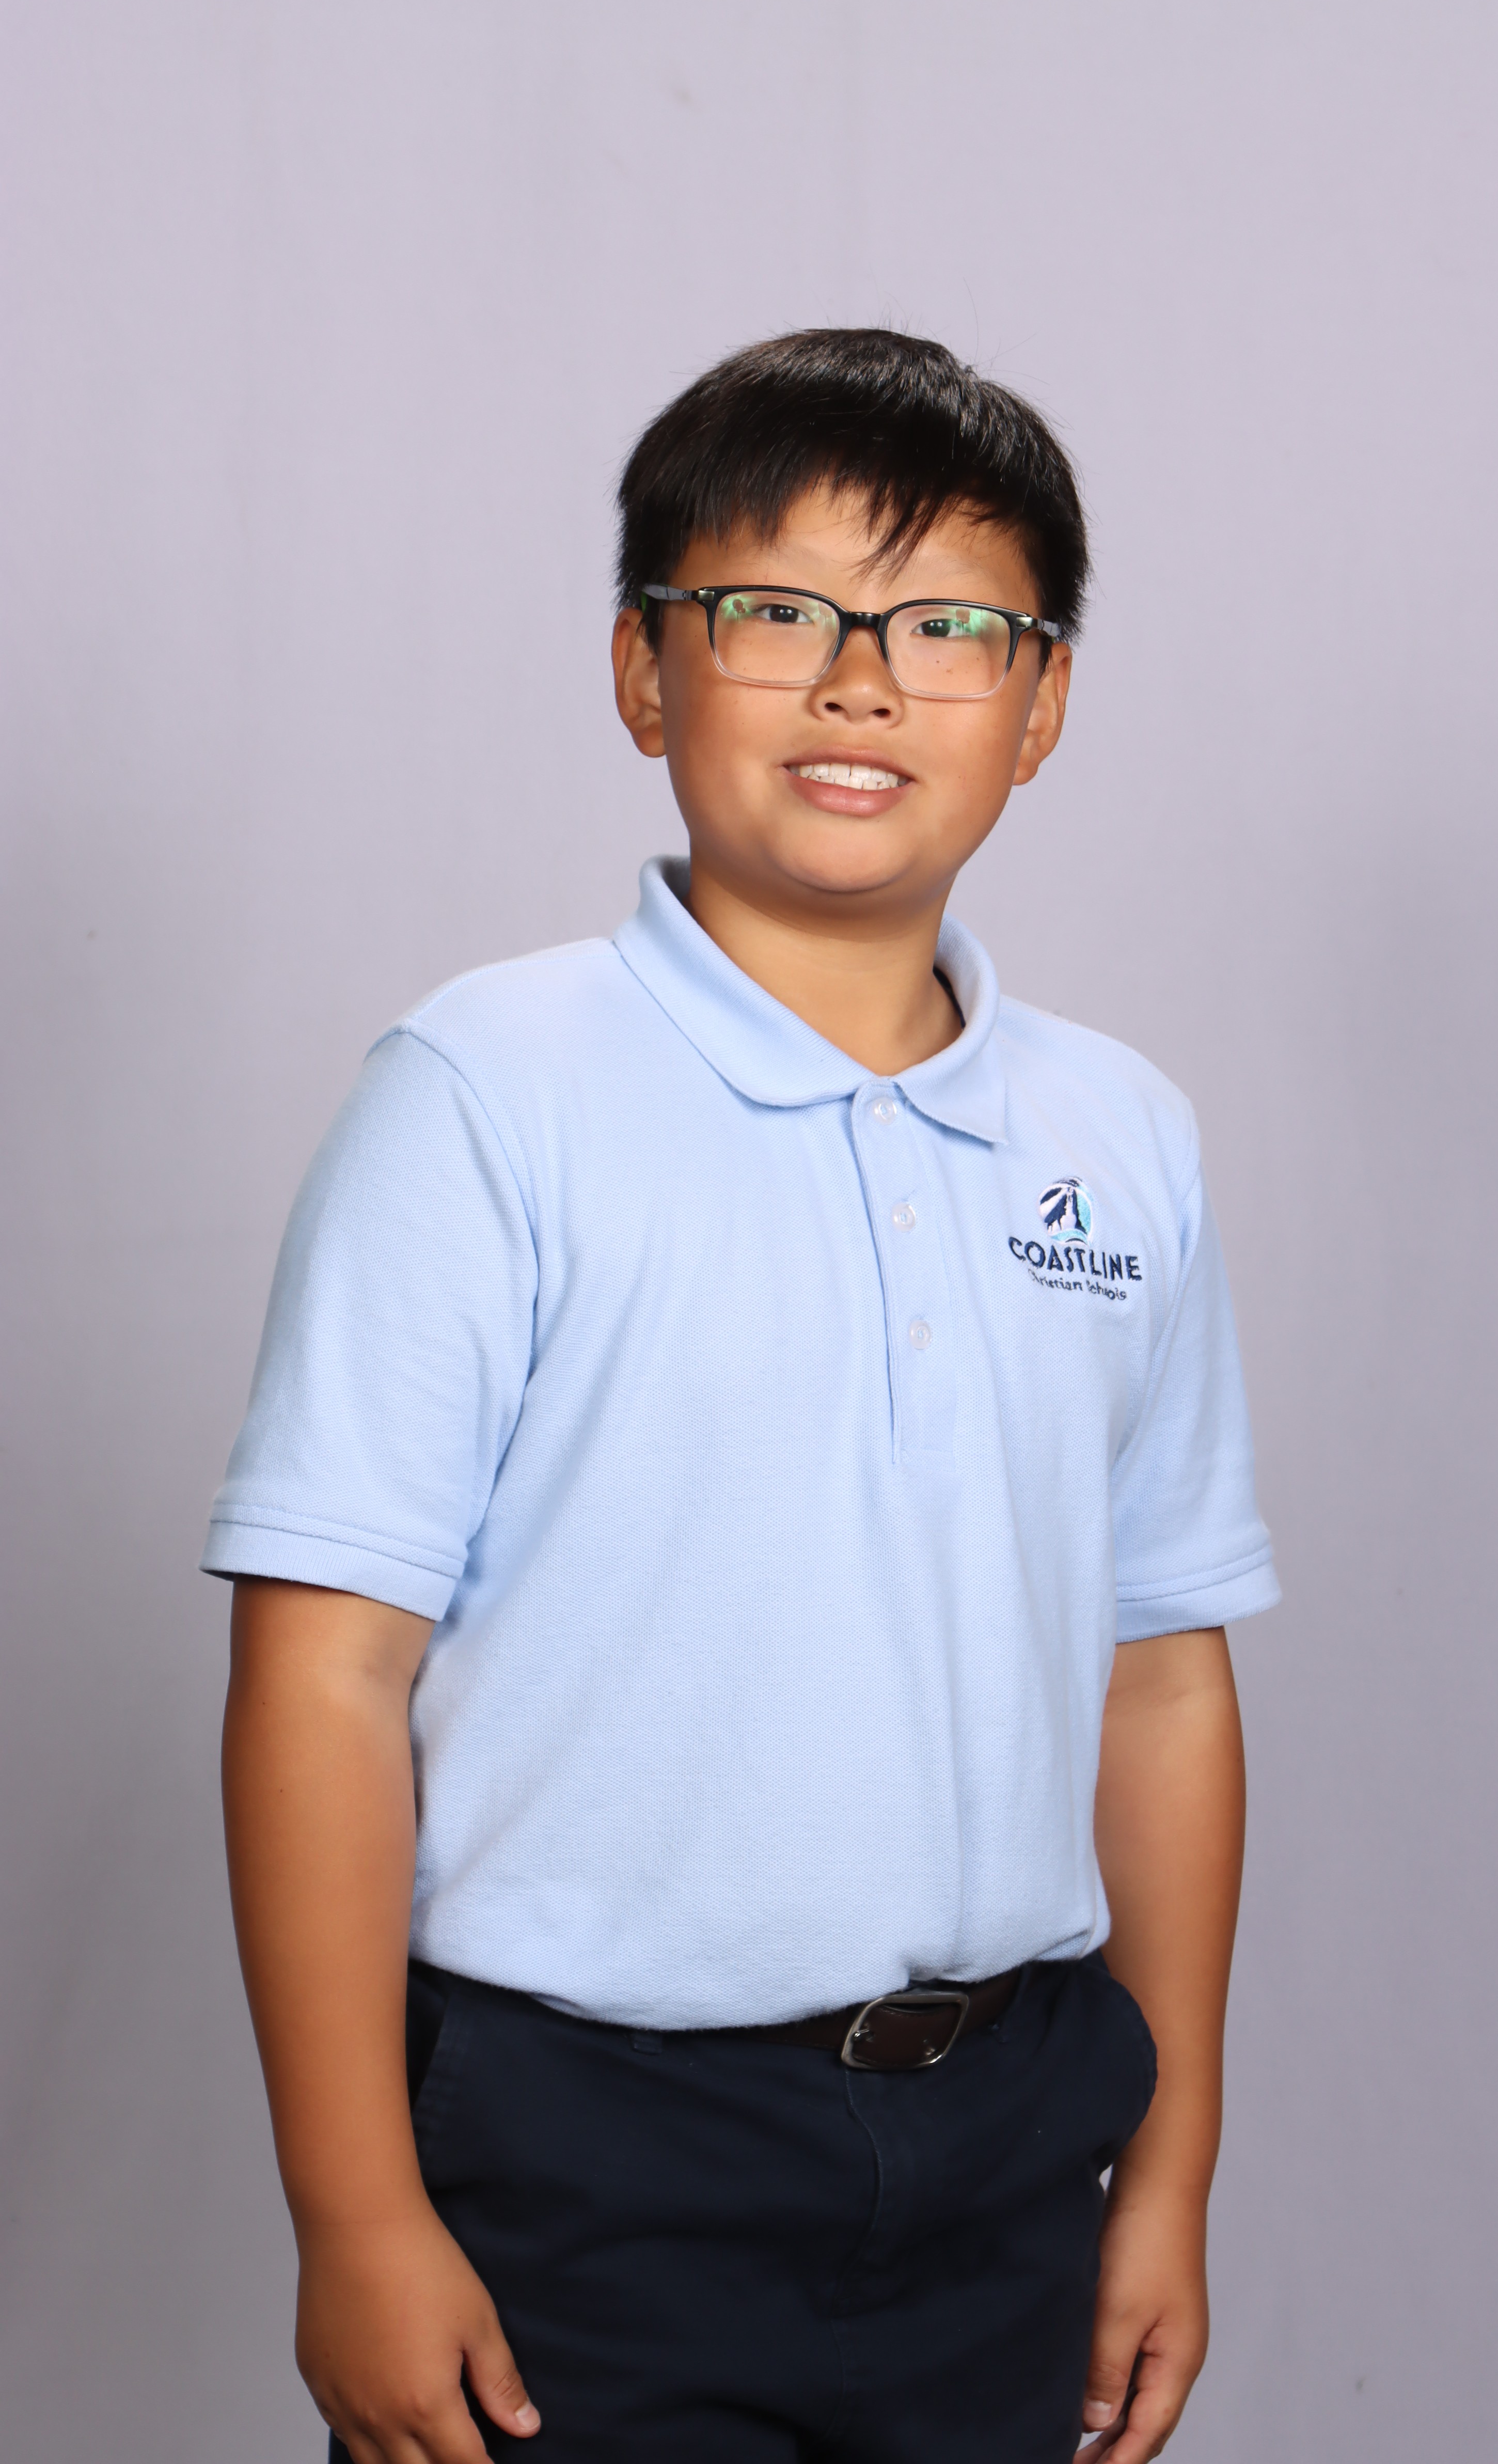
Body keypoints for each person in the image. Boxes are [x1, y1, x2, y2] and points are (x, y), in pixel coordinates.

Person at [209, 327, 1279, 2464]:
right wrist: (355, 2214)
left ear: (1043, 703)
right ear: (644, 668)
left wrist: (1164, 2176)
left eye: (948, 629)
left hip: (1008, 2142)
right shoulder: (487, 1092)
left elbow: (1161, 1679)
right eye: (777, 613)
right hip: (589, 2152)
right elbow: (324, 1672)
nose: (861, 685)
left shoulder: (1119, 1135)